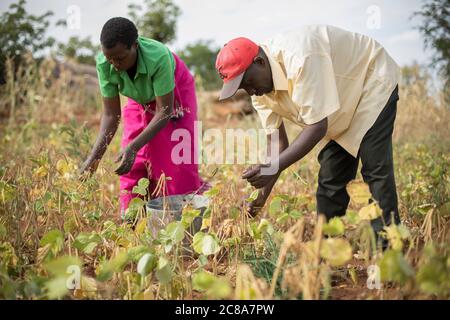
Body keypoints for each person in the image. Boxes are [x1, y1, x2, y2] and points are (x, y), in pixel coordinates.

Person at [216, 25, 401, 241]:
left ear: (260, 62)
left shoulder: (301, 56)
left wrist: (272, 167)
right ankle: (327, 251)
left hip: (370, 81)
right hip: (339, 104)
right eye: (242, 88)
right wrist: (260, 196)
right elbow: (277, 145)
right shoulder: (259, 91)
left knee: (375, 170)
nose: (249, 92)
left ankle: (387, 250)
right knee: (331, 178)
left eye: (247, 82)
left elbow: (316, 127)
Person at [80, 17, 207, 218]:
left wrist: (134, 147)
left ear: (135, 46)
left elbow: (164, 111)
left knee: (175, 160)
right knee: (132, 163)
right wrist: (94, 158)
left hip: (174, 95)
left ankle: (181, 221)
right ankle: (133, 221)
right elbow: (111, 115)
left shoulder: (158, 57)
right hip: (138, 100)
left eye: (120, 58)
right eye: (109, 58)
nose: (114, 64)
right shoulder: (105, 63)